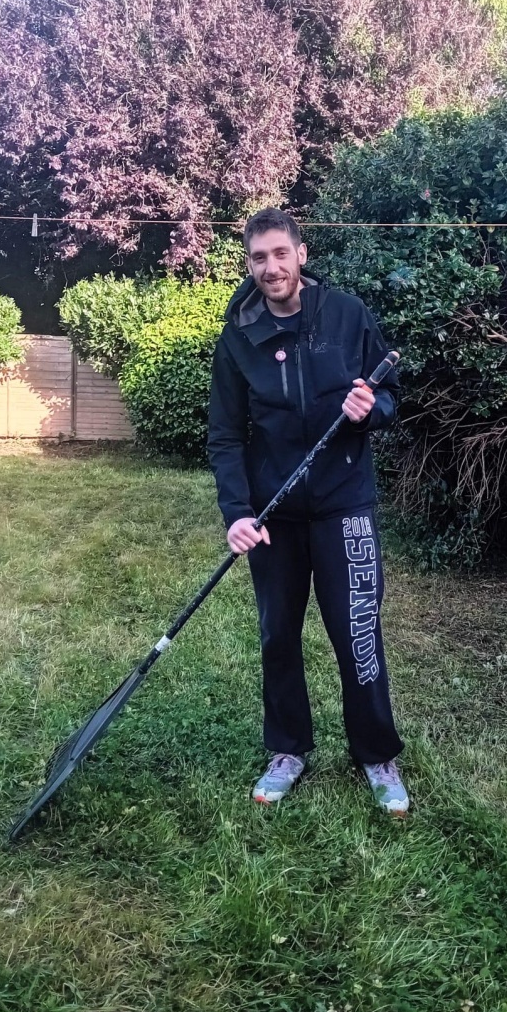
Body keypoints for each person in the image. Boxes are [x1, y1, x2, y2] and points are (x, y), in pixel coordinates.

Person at [207, 207, 408, 815]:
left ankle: (377, 754)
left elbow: (391, 395)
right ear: (249, 265)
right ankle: (287, 750)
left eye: (280, 253)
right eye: (258, 258)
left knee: (358, 632)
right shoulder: (238, 336)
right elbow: (225, 435)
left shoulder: (346, 314)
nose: (271, 267)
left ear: (301, 254)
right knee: (278, 636)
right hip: (274, 514)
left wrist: (370, 410)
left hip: (345, 504)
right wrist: (237, 512)